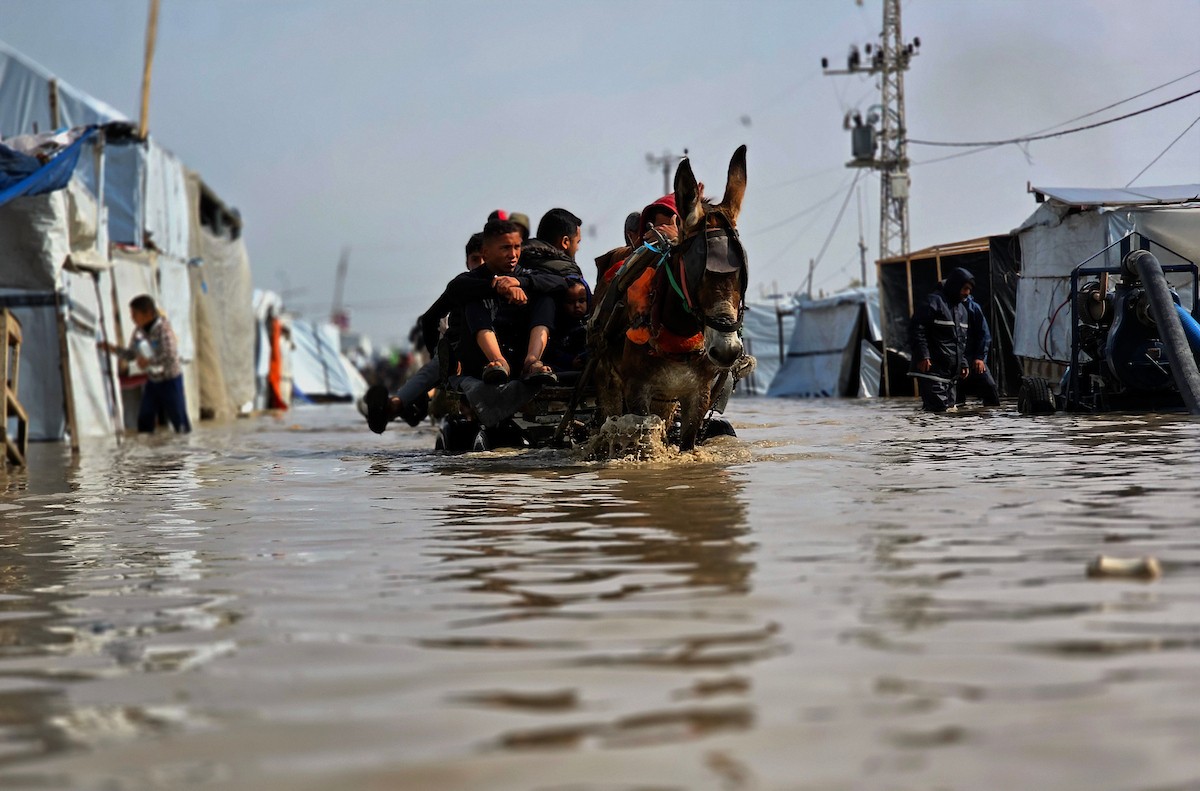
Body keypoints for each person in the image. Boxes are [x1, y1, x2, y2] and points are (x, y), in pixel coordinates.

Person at [364, 232, 489, 433]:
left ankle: (395, 406)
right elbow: (429, 319)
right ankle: (391, 406)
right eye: (475, 259)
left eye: (485, 258)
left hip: (484, 355)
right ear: (467, 262)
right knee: (433, 372)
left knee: (427, 376)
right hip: (460, 353)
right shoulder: (464, 285)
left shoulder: (505, 284)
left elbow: (429, 319)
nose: (481, 263)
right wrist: (438, 353)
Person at [456, 218, 567, 386]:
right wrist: (500, 287)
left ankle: (532, 362)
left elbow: (561, 283)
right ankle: (499, 361)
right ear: (486, 253)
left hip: (521, 351)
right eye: (506, 248)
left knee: (546, 298)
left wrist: (521, 282)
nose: (513, 254)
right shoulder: (469, 280)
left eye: (517, 247)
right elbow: (457, 288)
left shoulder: (526, 274)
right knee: (473, 301)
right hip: (484, 361)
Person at [102, 294, 191, 433]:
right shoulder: (139, 331)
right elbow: (131, 354)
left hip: (170, 380)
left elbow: (170, 356)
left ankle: (185, 451)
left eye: (134, 314)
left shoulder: (163, 329)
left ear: (148, 313)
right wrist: (113, 349)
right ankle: (148, 452)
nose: (132, 318)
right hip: (153, 381)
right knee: (145, 421)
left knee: (179, 422)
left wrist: (149, 361)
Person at [908, 267, 974, 412]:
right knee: (938, 412)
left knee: (949, 414)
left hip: (950, 376)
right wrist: (923, 355)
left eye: (969, 289)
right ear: (955, 286)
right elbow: (916, 329)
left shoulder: (962, 310)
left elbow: (960, 341)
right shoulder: (933, 302)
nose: (967, 293)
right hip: (932, 371)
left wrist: (962, 363)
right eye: (964, 288)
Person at [958, 294, 1002, 406]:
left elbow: (984, 334)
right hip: (955, 359)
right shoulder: (947, 306)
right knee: (955, 397)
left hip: (974, 358)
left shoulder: (973, 307)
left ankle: (990, 416)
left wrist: (980, 357)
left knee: (990, 387)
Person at [519, 208, 583, 278]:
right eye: (577, 242)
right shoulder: (568, 273)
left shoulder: (515, 262)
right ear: (565, 242)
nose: (577, 248)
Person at [544, 276, 591, 372]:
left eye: (581, 301)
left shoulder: (592, 323)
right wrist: (570, 361)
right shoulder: (557, 327)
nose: (577, 306)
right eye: (570, 302)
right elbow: (552, 351)